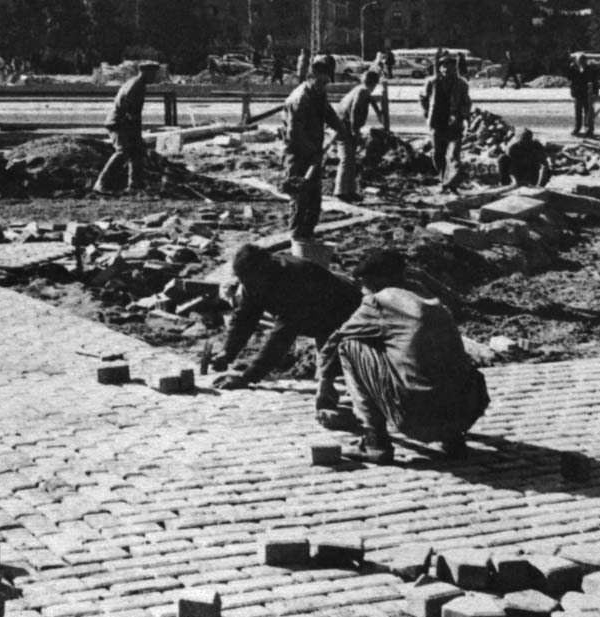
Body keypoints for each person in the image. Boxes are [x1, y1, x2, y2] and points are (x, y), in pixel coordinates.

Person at [316, 249, 490, 464]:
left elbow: (336, 340)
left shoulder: (380, 301)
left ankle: (375, 442)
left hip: (416, 418)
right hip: (465, 414)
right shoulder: (429, 298)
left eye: (363, 284)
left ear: (372, 281)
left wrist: (324, 382)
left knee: (350, 345)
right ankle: (453, 440)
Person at [209, 243, 361, 391]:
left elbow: (283, 335)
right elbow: (245, 317)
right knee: (325, 378)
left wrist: (248, 377)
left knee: (337, 379)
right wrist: (227, 352)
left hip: (347, 315)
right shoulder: (253, 278)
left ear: (264, 272)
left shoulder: (294, 280)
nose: (249, 288)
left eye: (251, 282)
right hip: (319, 319)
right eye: (244, 282)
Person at [281, 57, 343, 239]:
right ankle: (295, 238)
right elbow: (294, 136)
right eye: (320, 82)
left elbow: (327, 112)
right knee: (299, 199)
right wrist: (314, 152)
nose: (323, 86)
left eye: (326, 83)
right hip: (297, 155)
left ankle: (307, 237)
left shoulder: (319, 93)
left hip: (314, 154)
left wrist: (339, 127)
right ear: (310, 77)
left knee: (314, 201)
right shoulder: (299, 100)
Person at [92, 61, 160, 194]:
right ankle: (101, 183)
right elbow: (130, 112)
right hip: (118, 123)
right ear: (145, 72)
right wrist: (136, 134)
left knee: (137, 152)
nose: (155, 78)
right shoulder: (136, 86)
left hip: (125, 123)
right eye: (153, 74)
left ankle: (135, 185)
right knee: (122, 152)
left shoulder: (137, 83)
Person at [420, 50, 471, 192]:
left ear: (455, 68)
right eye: (444, 66)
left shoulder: (461, 84)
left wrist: (461, 115)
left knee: (454, 155)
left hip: (454, 124)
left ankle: (452, 183)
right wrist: (426, 112)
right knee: (438, 154)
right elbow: (423, 98)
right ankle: (444, 179)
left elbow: (466, 103)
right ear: (440, 68)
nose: (447, 69)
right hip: (437, 123)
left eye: (450, 66)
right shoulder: (432, 82)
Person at [333, 70, 382, 201]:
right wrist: (355, 130)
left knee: (350, 160)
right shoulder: (362, 91)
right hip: (345, 127)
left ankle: (349, 190)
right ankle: (340, 191)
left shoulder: (360, 89)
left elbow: (371, 100)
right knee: (346, 159)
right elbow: (355, 109)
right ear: (374, 83)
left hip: (344, 125)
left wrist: (378, 112)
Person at [569, 53, 600, 136]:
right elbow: (572, 81)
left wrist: (596, 93)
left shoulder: (590, 69)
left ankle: (589, 129)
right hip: (578, 93)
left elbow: (594, 81)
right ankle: (577, 128)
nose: (581, 62)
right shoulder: (574, 69)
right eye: (580, 60)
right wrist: (572, 91)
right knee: (578, 112)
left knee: (589, 112)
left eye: (583, 60)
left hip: (588, 94)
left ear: (585, 61)